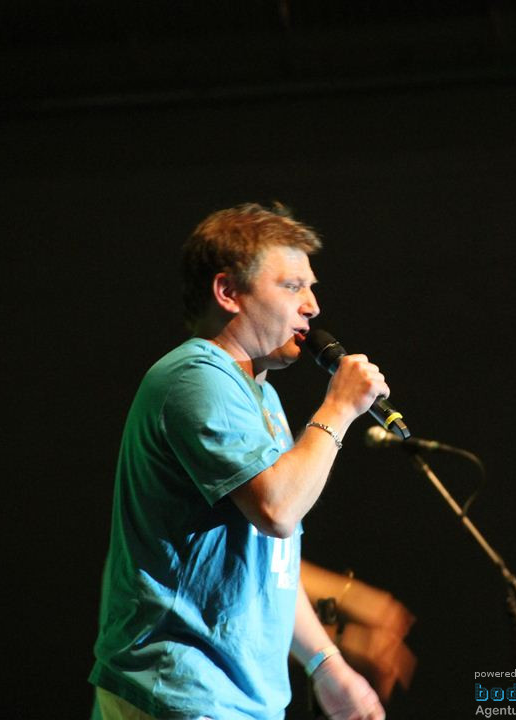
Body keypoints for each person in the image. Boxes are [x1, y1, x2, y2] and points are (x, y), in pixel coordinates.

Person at [89, 204, 387, 720]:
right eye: (292, 287)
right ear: (228, 292)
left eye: (311, 288)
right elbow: (278, 510)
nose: (312, 306)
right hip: (179, 692)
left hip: (238, 699)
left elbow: (271, 560)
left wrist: (327, 666)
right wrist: (338, 409)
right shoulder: (195, 376)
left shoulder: (260, 395)